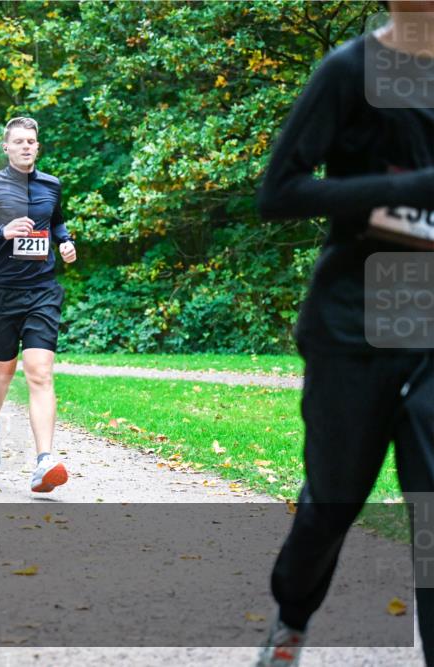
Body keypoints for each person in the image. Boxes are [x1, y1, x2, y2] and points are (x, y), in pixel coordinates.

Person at [254, 3, 434, 665]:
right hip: (353, 315)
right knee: (334, 497)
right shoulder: (351, 71)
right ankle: (292, 618)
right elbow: (278, 193)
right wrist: (412, 189)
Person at [0, 116, 77, 493]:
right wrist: (1, 232)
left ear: (38, 147)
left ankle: (44, 461)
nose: (26, 146)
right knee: (3, 371)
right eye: (19, 141)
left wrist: (65, 241)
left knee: (39, 371)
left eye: (32, 141)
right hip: (0, 293)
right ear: (6, 147)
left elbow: (55, 222)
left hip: (42, 290)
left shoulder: (51, 186)